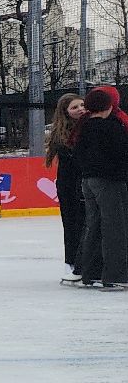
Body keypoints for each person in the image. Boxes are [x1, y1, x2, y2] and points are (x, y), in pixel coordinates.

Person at [70, 85, 128, 290]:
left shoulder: (83, 128)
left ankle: (90, 272)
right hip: (109, 181)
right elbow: (122, 155)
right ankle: (115, 274)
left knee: (94, 225)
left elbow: (76, 155)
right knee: (115, 227)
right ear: (109, 107)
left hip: (88, 180)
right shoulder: (111, 127)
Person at [47, 93, 89, 279]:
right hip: (69, 186)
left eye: (82, 105)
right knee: (72, 225)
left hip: (83, 183)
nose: (80, 109)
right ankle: (70, 263)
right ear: (65, 112)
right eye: (74, 107)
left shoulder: (88, 126)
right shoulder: (61, 133)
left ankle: (85, 262)